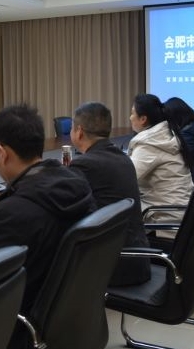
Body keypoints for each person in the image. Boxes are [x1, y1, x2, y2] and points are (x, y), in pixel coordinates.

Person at [0, 104, 96, 348]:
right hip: (69, 322)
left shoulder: (12, 213)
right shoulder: (77, 184)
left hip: (16, 329)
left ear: (1, 153)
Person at [68, 102, 151, 286]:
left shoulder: (85, 165)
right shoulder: (123, 159)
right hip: (137, 257)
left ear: (79, 131)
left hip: (114, 265)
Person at [128, 93, 193, 224]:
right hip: (182, 208)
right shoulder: (165, 133)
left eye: (132, 113)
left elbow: (126, 178)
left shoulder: (149, 143)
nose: (130, 117)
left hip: (164, 215)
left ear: (143, 119)